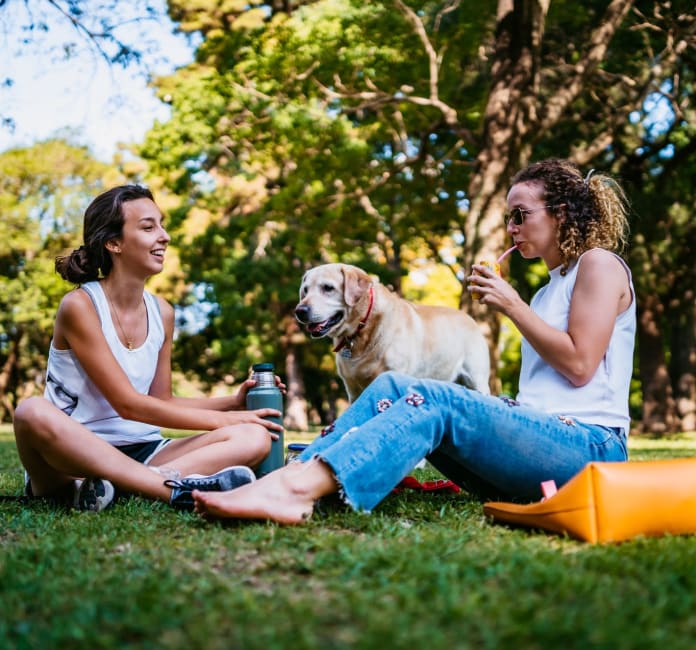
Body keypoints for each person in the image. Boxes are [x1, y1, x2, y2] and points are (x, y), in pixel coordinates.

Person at [193, 158, 636, 524]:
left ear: (560, 212)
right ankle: (284, 478)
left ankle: (293, 491)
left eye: (521, 215)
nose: (511, 229)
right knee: (390, 386)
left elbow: (580, 366)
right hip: (539, 451)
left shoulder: (598, 264)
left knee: (434, 398)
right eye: (507, 218)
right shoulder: (547, 290)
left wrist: (512, 306)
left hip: (590, 449)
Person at [12, 184, 283, 511]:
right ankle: (169, 489)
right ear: (114, 243)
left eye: (162, 224)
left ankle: (121, 487)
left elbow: (161, 400)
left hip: (146, 449)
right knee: (30, 412)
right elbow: (128, 404)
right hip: (71, 456)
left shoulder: (163, 312)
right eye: (148, 227)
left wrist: (232, 404)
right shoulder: (80, 306)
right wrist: (225, 422)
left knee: (253, 438)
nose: (164, 236)